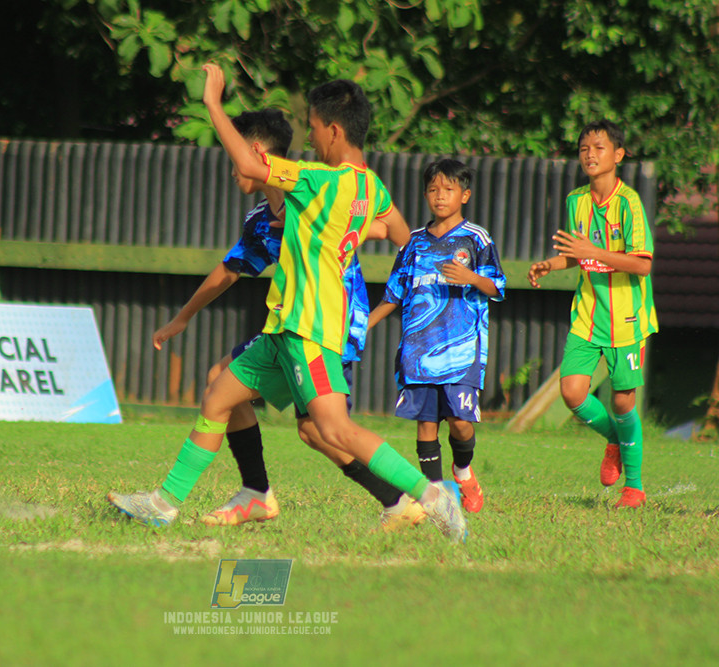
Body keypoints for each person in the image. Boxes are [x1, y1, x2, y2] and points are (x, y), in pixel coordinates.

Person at [108, 63, 467, 542]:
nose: (310, 139)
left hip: (310, 329)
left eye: (313, 128)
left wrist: (213, 102)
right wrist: (345, 234)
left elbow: (251, 165)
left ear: (334, 130)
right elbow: (403, 235)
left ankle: (431, 495)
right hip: (283, 327)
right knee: (219, 395)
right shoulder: (370, 186)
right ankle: (166, 504)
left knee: (333, 431)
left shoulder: (318, 179)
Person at [152, 109, 425, 531]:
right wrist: (182, 318)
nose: (233, 171)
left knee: (324, 430)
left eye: (235, 159)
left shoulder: (313, 188)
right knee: (231, 388)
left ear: (254, 152)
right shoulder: (263, 220)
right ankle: (251, 493)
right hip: (288, 326)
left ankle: (419, 496)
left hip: (325, 326)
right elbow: (230, 270)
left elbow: (384, 226)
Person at [527, 119, 658, 509]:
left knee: (622, 402)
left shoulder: (629, 203)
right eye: (584, 148)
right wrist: (551, 264)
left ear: (618, 155)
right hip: (587, 313)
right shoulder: (576, 201)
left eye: (599, 148)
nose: (590, 154)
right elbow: (578, 254)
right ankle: (615, 440)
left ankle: (633, 488)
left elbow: (642, 264)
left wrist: (593, 253)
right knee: (572, 392)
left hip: (627, 317)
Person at [368, 159, 506, 514]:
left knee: (460, 423)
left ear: (465, 195)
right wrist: (362, 325)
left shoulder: (477, 239)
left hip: (462, 350)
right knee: (426, 424)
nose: (440, 196)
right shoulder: (413, 242)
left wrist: (471, 278)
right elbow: (393, 294)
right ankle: (437, 498)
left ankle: (462, 471)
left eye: (448, 189)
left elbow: (497, 287)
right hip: (418, 351)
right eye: (433, 189)